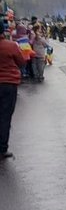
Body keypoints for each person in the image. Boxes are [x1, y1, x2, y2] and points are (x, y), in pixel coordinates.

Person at [0, 22, 27, 159]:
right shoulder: (10, 46)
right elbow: (21, 61)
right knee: (5, 116)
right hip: (8, 84)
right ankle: (2, 148)